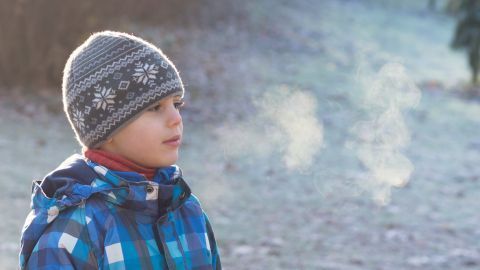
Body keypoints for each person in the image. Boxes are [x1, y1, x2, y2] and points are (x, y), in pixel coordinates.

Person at [19, 30, 221, 269]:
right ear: (107, 129)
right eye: (156, 107)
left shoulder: (188, 212)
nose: (176, 118)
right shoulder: (72, 232)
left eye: (176, 103)